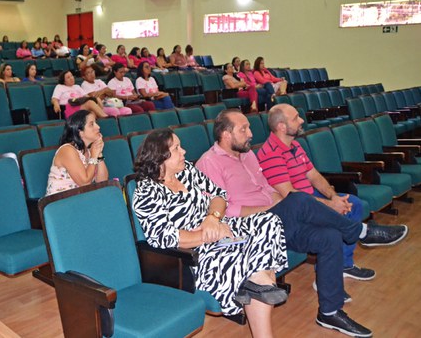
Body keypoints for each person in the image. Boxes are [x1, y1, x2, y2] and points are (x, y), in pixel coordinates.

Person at [196, 109, 409, 338]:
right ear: (226, 135)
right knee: (297, 199)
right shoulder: (209, 164)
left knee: (329, 236)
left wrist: (279, 207)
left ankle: (330, 312)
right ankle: (362, 232)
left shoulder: (247, 155)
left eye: (249, 127)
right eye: (243, 129)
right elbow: (223, 211)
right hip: (248, 229)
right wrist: (270, 210)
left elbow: (267, 189)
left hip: (275, 223)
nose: (250, 133)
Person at [134, 128, 289, 337]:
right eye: (177, 148)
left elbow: (219, 195)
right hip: (196, 256)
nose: (184, 152)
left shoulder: (187, 171)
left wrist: (212, 218)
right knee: (254, 264)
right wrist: (212, 234)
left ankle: (258, 281)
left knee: (268, 220)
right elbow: (166, 238)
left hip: (219, 230)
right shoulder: (147, 192)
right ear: (160, 156)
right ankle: (261, 284)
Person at [258, 104, 375, 280]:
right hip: (298, 208)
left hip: (311, 198)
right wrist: (330, 205)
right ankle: (334, 265)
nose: (302, 120)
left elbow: (314, 176)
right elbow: (290, 196)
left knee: (354, 204)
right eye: (296, 118)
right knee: (338, 215)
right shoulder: (270, 154)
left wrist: (334, 197)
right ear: (281, 126)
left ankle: (344, 265)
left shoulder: (295, 145)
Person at [45, 110, 108, 196]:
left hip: (79, 200)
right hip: (60, 203)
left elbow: (102, 181)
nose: (98, 127)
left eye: (96, 123)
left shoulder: (89, 151)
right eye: (91, 124)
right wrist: (93, 157)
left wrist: (99, 153)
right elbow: (84, 182)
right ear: (80, 132)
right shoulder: (67, 150)